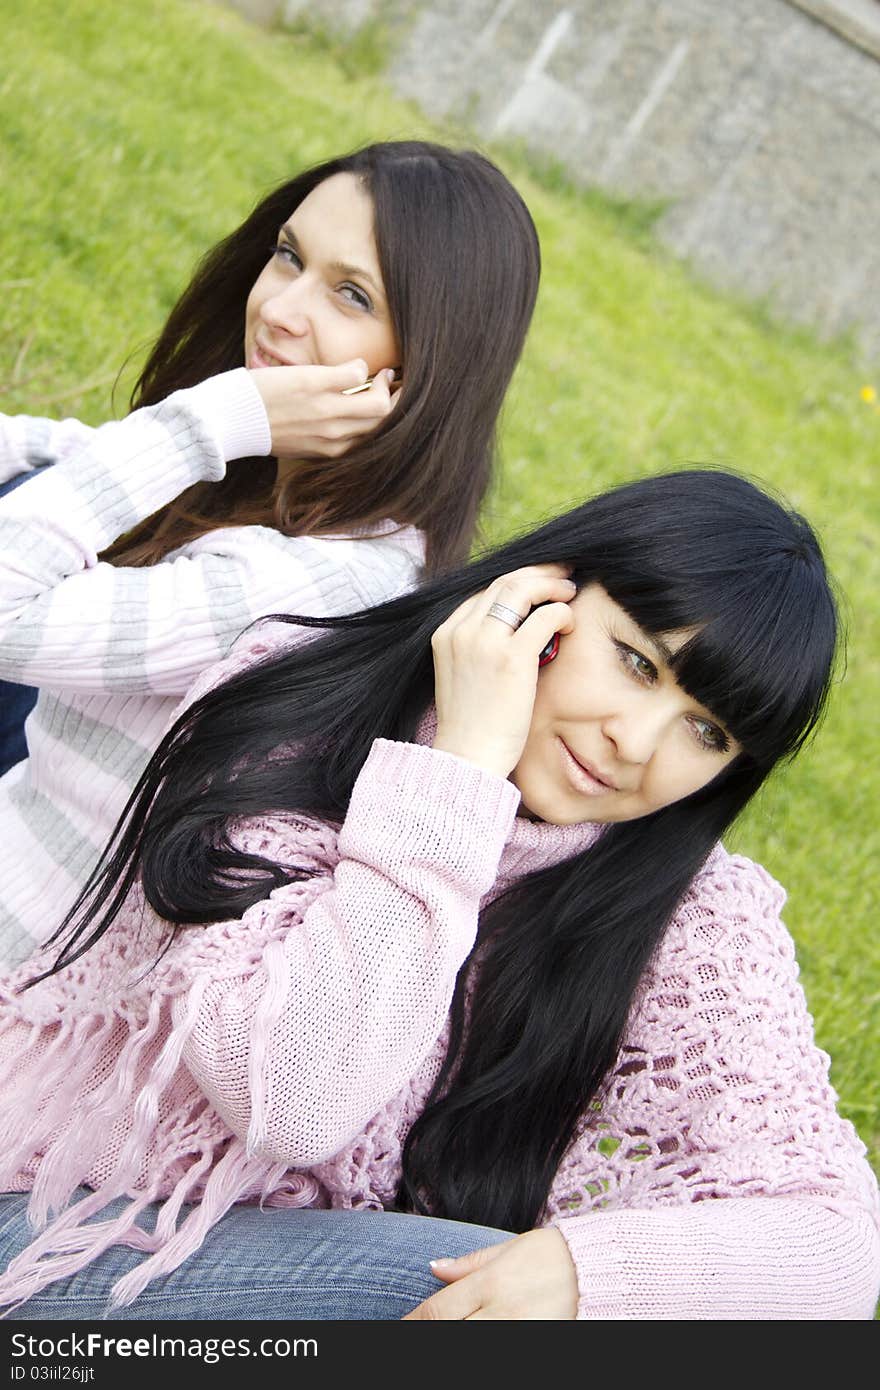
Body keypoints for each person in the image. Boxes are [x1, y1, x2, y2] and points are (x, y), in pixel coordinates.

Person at [0, 467, 877, 1321]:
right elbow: (290, 1102)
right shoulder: (306, 697)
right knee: (437, 1290)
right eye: (639, 664)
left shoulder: (690, 915)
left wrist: (587, 1275)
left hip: (263, 1301)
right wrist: (459, 769)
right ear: (544, 595)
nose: (636, 743)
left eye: (705, 731)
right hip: (54, 1216)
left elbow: (837, 1245)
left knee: (538, 1306)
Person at [0, 139, 541, 967]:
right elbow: (58, 458)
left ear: (429, 367)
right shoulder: (291, 490)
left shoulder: (318, 582)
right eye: (288, 255)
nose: (281, 310)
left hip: (25, 969)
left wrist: (212, 422)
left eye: (351, 295)